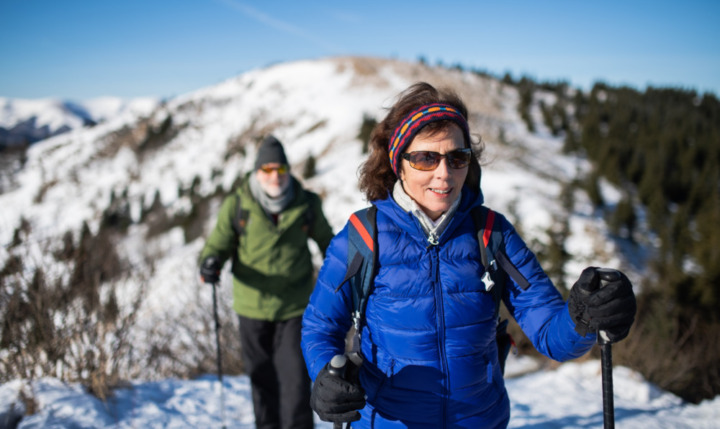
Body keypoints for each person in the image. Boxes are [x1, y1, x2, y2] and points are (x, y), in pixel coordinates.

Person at [301, 82, 637, 428]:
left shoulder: (492, 234)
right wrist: (323, 376)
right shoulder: (362, 237)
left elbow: (553, 337)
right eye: (425, 158)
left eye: (457, 157)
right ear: (398, 163)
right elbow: (320, 327)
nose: (443, 174)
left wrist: (584, 315)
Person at [199, 135, 334, 429]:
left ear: (288, 171)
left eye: (280, 170)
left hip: (294, 307)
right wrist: (210, 262)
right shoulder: (238, 206)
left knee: (295, 381)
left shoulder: (306, 203)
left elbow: (328, 244)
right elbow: (218, 244)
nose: (275, 176)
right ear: (257, 172)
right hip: (252, 307)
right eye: (268, 170)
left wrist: (342, 276)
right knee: (261, 382)